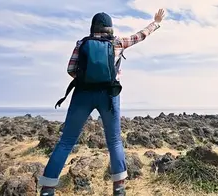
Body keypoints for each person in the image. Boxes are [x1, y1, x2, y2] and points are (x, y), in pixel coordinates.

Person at [39, 8, 165, 196]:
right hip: (109, 96)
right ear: (110, 28)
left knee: (66, 141)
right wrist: (155, 22)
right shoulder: (118, 43)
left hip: (82, 95)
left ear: (93, 27)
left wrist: (87, 79)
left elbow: (71, 70)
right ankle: (119, 188)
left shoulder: (82, 44)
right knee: (114, 141)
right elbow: (140, 36)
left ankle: (48, 189)